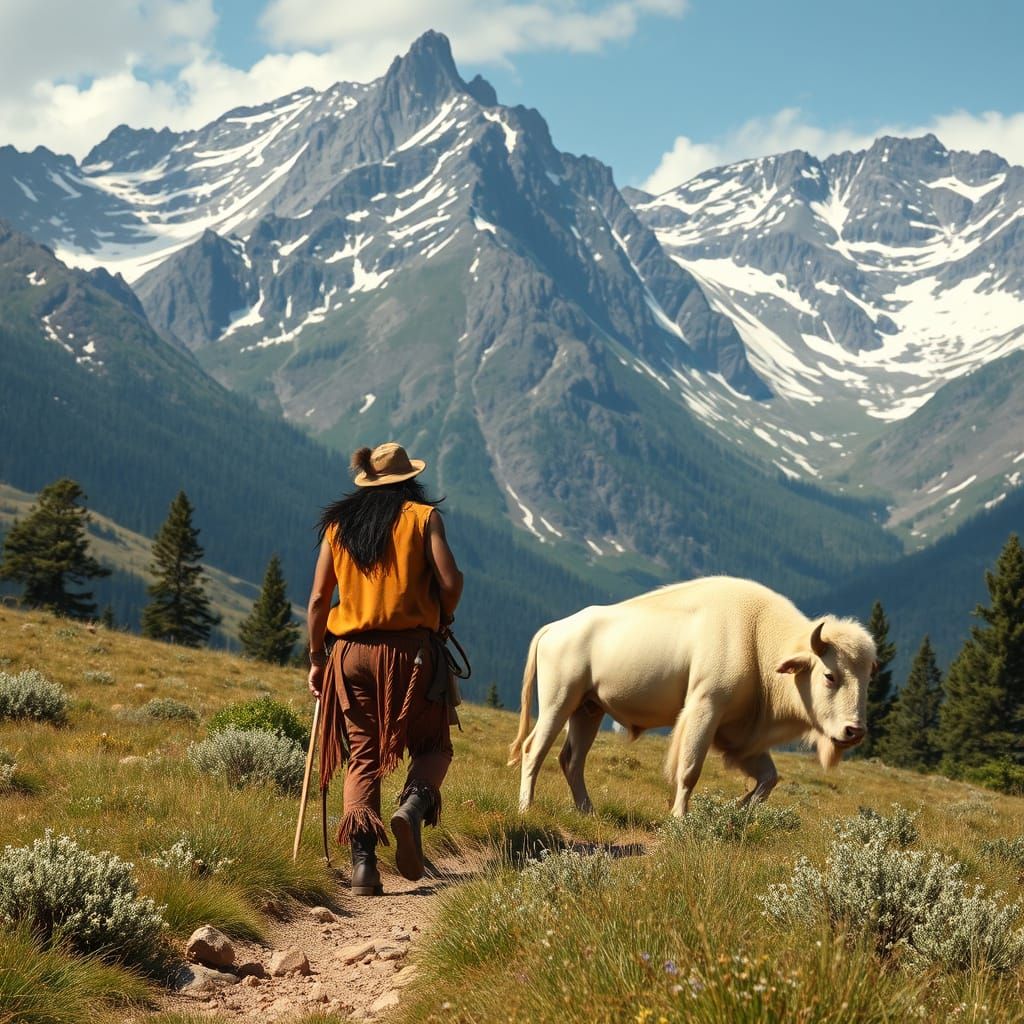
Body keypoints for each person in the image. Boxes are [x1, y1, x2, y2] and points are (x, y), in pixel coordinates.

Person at [306, 442, 463, 896]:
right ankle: (413, 807)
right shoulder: (422, 517)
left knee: (362, 755)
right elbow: (451, 582)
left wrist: (318, 659)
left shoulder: (339, 526)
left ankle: (362, 867)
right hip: (414, 653)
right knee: (433, 744)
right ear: (408, 479)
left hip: (350, 655)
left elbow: (319, 600)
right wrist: (442, 613)